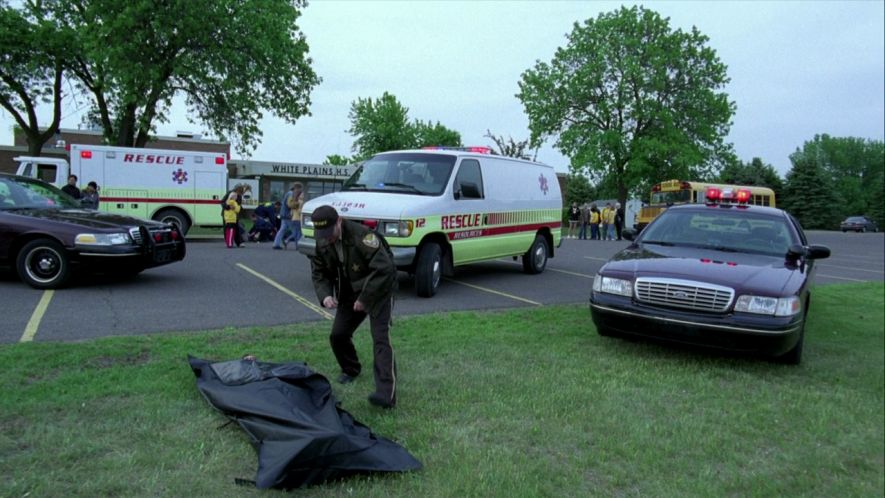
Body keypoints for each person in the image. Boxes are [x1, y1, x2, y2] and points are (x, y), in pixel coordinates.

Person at [309, 205, 399, 409]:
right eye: (322, 234)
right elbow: (319, 271)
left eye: (330, 233)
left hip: (379, 290)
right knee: (338, 335)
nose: (327, 239)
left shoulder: (364, 237)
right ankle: (351, 369)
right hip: (350, 291)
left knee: (381, 339)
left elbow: (385, 269)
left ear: (339, 221)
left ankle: (386, 394)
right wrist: (325, 296)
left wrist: (366, 298)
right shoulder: (322, 240)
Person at [284, 182, 305, 248]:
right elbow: (300, 210)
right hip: (298, 218)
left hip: (293, 218)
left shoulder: (293, 197)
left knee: (296, 232)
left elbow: (291, 208)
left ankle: (292, 243)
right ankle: (292, 243)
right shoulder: (300, 199)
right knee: (298, 233)